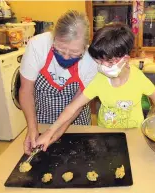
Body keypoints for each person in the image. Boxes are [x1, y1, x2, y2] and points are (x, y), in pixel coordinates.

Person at [36, 23, 155, 151]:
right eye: (99, 61)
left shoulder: (138, 78)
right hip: (105, 134)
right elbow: (73, 107)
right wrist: (50, 131)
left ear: (125, 58)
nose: (103, 66)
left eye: (109, 62)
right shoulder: (99, 79)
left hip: (133, 134)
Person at [19, 10, 98, 155]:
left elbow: (77, 104)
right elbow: (25, 90)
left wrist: (57, 132)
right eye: (60, 50)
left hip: (76, 120)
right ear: (54, 37)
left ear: (85, 46)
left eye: (74, 53)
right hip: (42, 116)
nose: (66, 57)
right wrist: (32, 128)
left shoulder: (91, 61)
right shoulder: (37, 46)